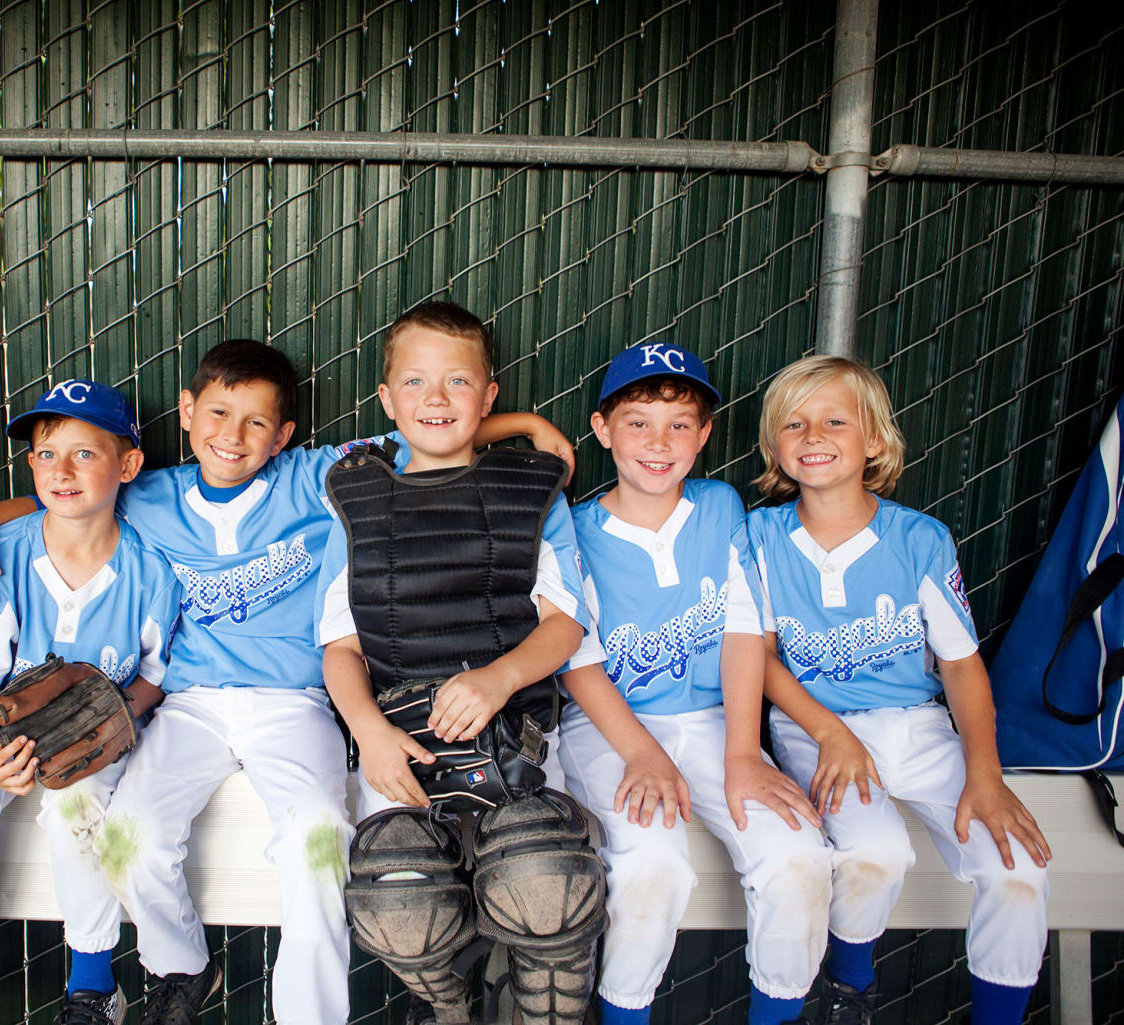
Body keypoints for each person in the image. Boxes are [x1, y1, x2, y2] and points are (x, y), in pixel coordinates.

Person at [0, 338, 572, 1025]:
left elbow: (424, 431)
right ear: (186, 412)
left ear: (284, 435)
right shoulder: (149, 494)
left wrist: (520, 427)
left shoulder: (314, 478)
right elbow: (64, 497)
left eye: (255, 422)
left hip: (295, 703)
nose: (232, 435)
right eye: (216, 413)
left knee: (316, 837)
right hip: (190, 706)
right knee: (130, 834)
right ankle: (183, 968)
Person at [316, 302, 601, 1025]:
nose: (435, 399)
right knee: (396, 895)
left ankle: (536, 1001)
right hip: (404, 748)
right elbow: (341, 649)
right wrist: (370, 731)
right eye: (414, 382)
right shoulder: (354, 496)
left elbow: (565, 623)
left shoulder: (529, 490)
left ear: (490, 394)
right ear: (385, 400)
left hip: (516, 738)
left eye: (456, 381)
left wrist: (498, 675)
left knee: (545, 876)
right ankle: (452, 1004)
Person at [749, 355, 1051, 1025]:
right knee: (874, 852)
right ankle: (847, 989)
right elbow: (758, 657)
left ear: (876, 440)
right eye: (792, 424)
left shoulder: (919, 537)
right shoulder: (760, 536)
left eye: (834, 420)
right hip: (815, 724)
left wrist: (986, 773)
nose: (812, 436)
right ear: (774, 448)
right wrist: (830, 732)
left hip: (917, 724)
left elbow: (962, 665)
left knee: (1019, 866)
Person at [555, 341, 830, 1025]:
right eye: (639, 420)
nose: (659, 441)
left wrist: (743, 752)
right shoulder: (574, 528)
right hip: (610, 729)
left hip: (715, 722)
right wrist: (644, 752)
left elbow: (742, 631)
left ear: (705, 434)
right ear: (602, 429)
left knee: (799, 856)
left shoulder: (717, 505)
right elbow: (577, 659)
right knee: (654, 866)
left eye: (680, 424)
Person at [0, 381, 180, 1025]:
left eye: (85, 454)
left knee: (75, 812)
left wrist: (118, 717)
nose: (62, 470)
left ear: (128, 465)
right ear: (30, 465)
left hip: (100, 728)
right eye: (45, 453)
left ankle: (92, 986)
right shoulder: (1, 555)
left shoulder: (152, 566)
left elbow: (153, 676)